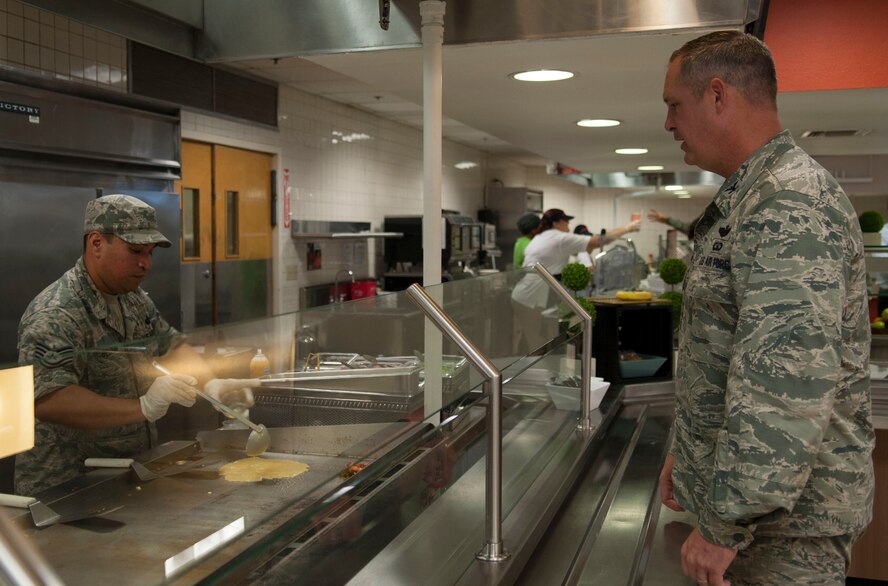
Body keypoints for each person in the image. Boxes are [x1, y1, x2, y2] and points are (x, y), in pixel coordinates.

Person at [657, 31, 873, 586]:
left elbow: (785, 382)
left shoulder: (788, 201)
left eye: (674, 105)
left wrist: (725, 522)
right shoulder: (753, 196)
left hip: (781, 532)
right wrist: (690, 451)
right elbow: (730, 351)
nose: (669, 124)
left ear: (717, 95)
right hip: (758, 517)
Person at [15, 194, 259, 495]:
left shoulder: (132, 299)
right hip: (68, 485)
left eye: (150, 253)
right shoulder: (57, 312)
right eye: (134, 251)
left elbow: (172, 347)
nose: (145, 264)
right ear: (96, 244)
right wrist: (143, 406)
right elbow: (50, 400)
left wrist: (211, 386)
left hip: (128, 472)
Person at [511, 208, 640, 350]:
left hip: (526, 295)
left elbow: (581, 251)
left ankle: (542, 368)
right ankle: (537, 370)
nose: (569, 225)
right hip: (529, 298)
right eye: (566, 221)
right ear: (556, 222)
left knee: (540, 339)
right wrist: (628, 227)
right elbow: (600, 240)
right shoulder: (559, 238)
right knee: (537, 341)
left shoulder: (544, 237)